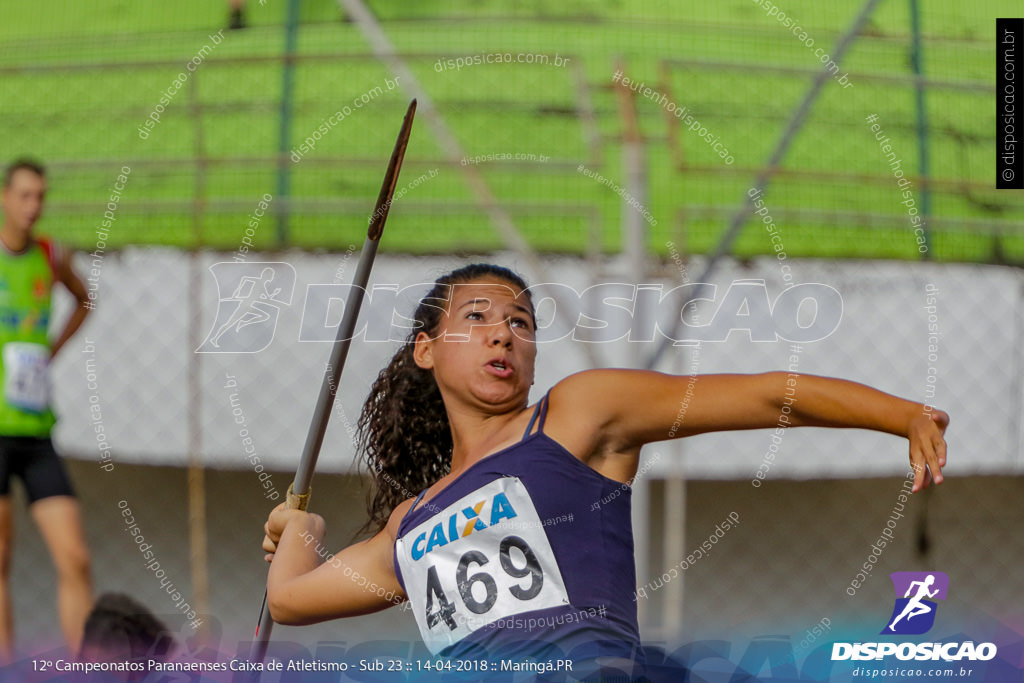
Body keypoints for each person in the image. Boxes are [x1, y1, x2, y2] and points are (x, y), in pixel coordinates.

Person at [261, 263, 948, 676]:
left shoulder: (575, 415)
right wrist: (302, 523)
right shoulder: (411, 525)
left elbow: (769, 394)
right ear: (425, 349)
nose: (504, 333)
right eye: (477, 317)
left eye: (522, 322)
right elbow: (290, 600)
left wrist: (904, 415)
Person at [0, 159, 94, 658]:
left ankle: (86, 668)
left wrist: (52, 350)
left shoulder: (49, 254)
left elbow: (85, 300)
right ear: (4, 197)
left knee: (74, 556)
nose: (33, 207)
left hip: (35, 427)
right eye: (23, 196)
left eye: (40, 196)